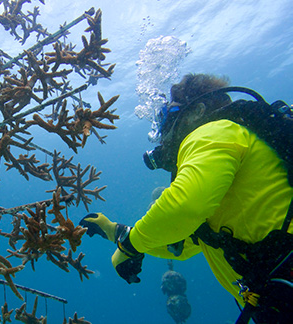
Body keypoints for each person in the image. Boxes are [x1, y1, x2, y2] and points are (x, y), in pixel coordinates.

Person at [80, 74, 293, 324]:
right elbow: (186, 243)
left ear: (197, 112)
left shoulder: (211, 132)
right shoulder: (226, 141)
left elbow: (185, 206)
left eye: (166, 117)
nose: (161, 133)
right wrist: (117, 232)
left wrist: (129, 245)